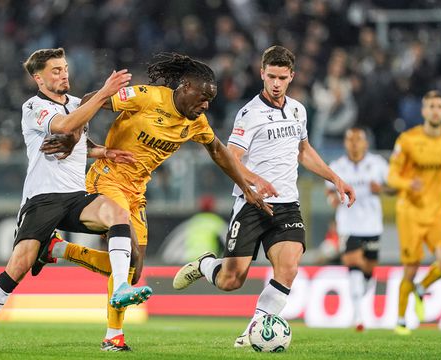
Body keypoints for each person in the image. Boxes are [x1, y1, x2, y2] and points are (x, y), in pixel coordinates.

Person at [37, 52, 271, 351]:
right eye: (202, 97)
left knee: (132, 271)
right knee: (127, 252)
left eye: (209, 100)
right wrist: (75, 136)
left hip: (137, 190)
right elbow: (89, 99)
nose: (206, 105)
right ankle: (113, 336)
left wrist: (245, 185)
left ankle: (58, 249)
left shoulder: (196, 122)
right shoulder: (147, 97)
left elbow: (217, 149)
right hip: (109, 178)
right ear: (185, 87)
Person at [0, 48, 152, 352]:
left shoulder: (75, 104)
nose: (64, 75)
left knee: (117, 214)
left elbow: (77, 139)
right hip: (42, 199)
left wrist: (103, 152)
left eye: (65, 69)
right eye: (56, 71)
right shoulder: (34, 107)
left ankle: (121, 288)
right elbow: (64, 127)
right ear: (39, 78)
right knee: (18, 267)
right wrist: (103, 94)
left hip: (75, 197)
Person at [172, 45, 355, 347]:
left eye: (282, 77)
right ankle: (206, 265)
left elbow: (303, 152)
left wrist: (336, 178)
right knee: (232, 280)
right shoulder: (248, 114)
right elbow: (231, 157)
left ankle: (254, 331)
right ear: (262, 73)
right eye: (271, 76)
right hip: (251, 203)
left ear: (291, 76)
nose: (276, 83)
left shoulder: (298, 110)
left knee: (289, 267)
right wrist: (256, 183)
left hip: (287, 206)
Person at [388, 90, 441, 335]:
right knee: (411, 267)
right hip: (410, 212)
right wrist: (407, 184)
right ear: (423, 111)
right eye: (431, 106)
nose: (435, 110)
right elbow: (391, 176)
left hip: (437, 214)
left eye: (439, 106)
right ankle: (401, 319)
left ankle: (421, 289)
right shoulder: (407, 140)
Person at [325, 127, 390, 331]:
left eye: (358, 139)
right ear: (345, 143)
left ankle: (363, 293)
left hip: (372, 225)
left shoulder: (378, 164)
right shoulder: (336, 166)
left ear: (366, 143)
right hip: (348, 225)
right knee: (353, 264)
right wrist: (333, 200)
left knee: (368, 270)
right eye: (350, 139)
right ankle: (358, 316)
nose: (354, 143)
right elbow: (329, 192)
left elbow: (394, 187)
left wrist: (382, 190)